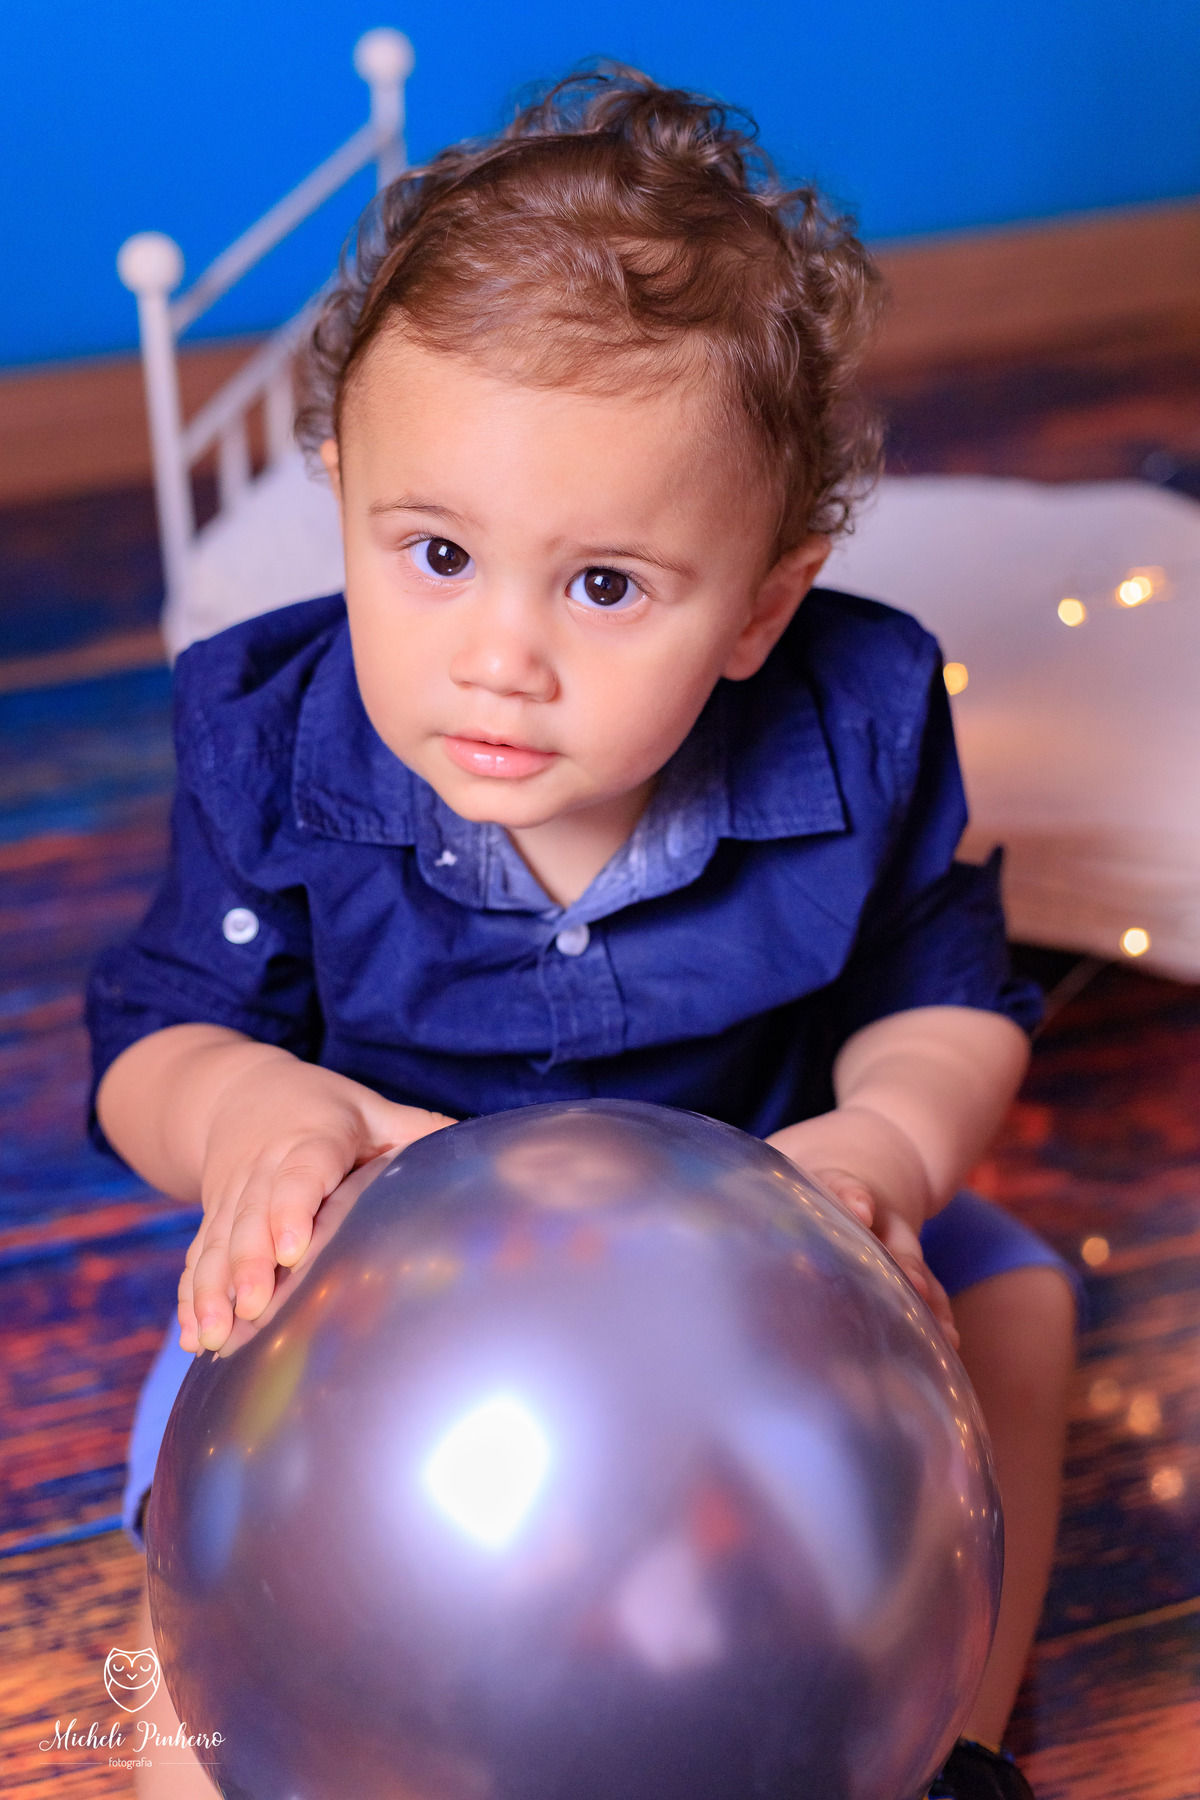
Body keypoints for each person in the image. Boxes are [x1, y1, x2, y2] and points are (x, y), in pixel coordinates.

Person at [88, 70, 1076, 1800]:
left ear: (761, 602)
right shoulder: (273, 742)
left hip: (772, 1246)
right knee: (205, 1535)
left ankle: (954, 1737)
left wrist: (889, 1148)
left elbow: (945, 988)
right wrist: (252, 1118)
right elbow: (154, 1033)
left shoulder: (854, 717)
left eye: (604, 585)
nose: (500, 658)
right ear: (343, 495)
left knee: (1020, 1304)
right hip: (368, 1294)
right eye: (436, 554)